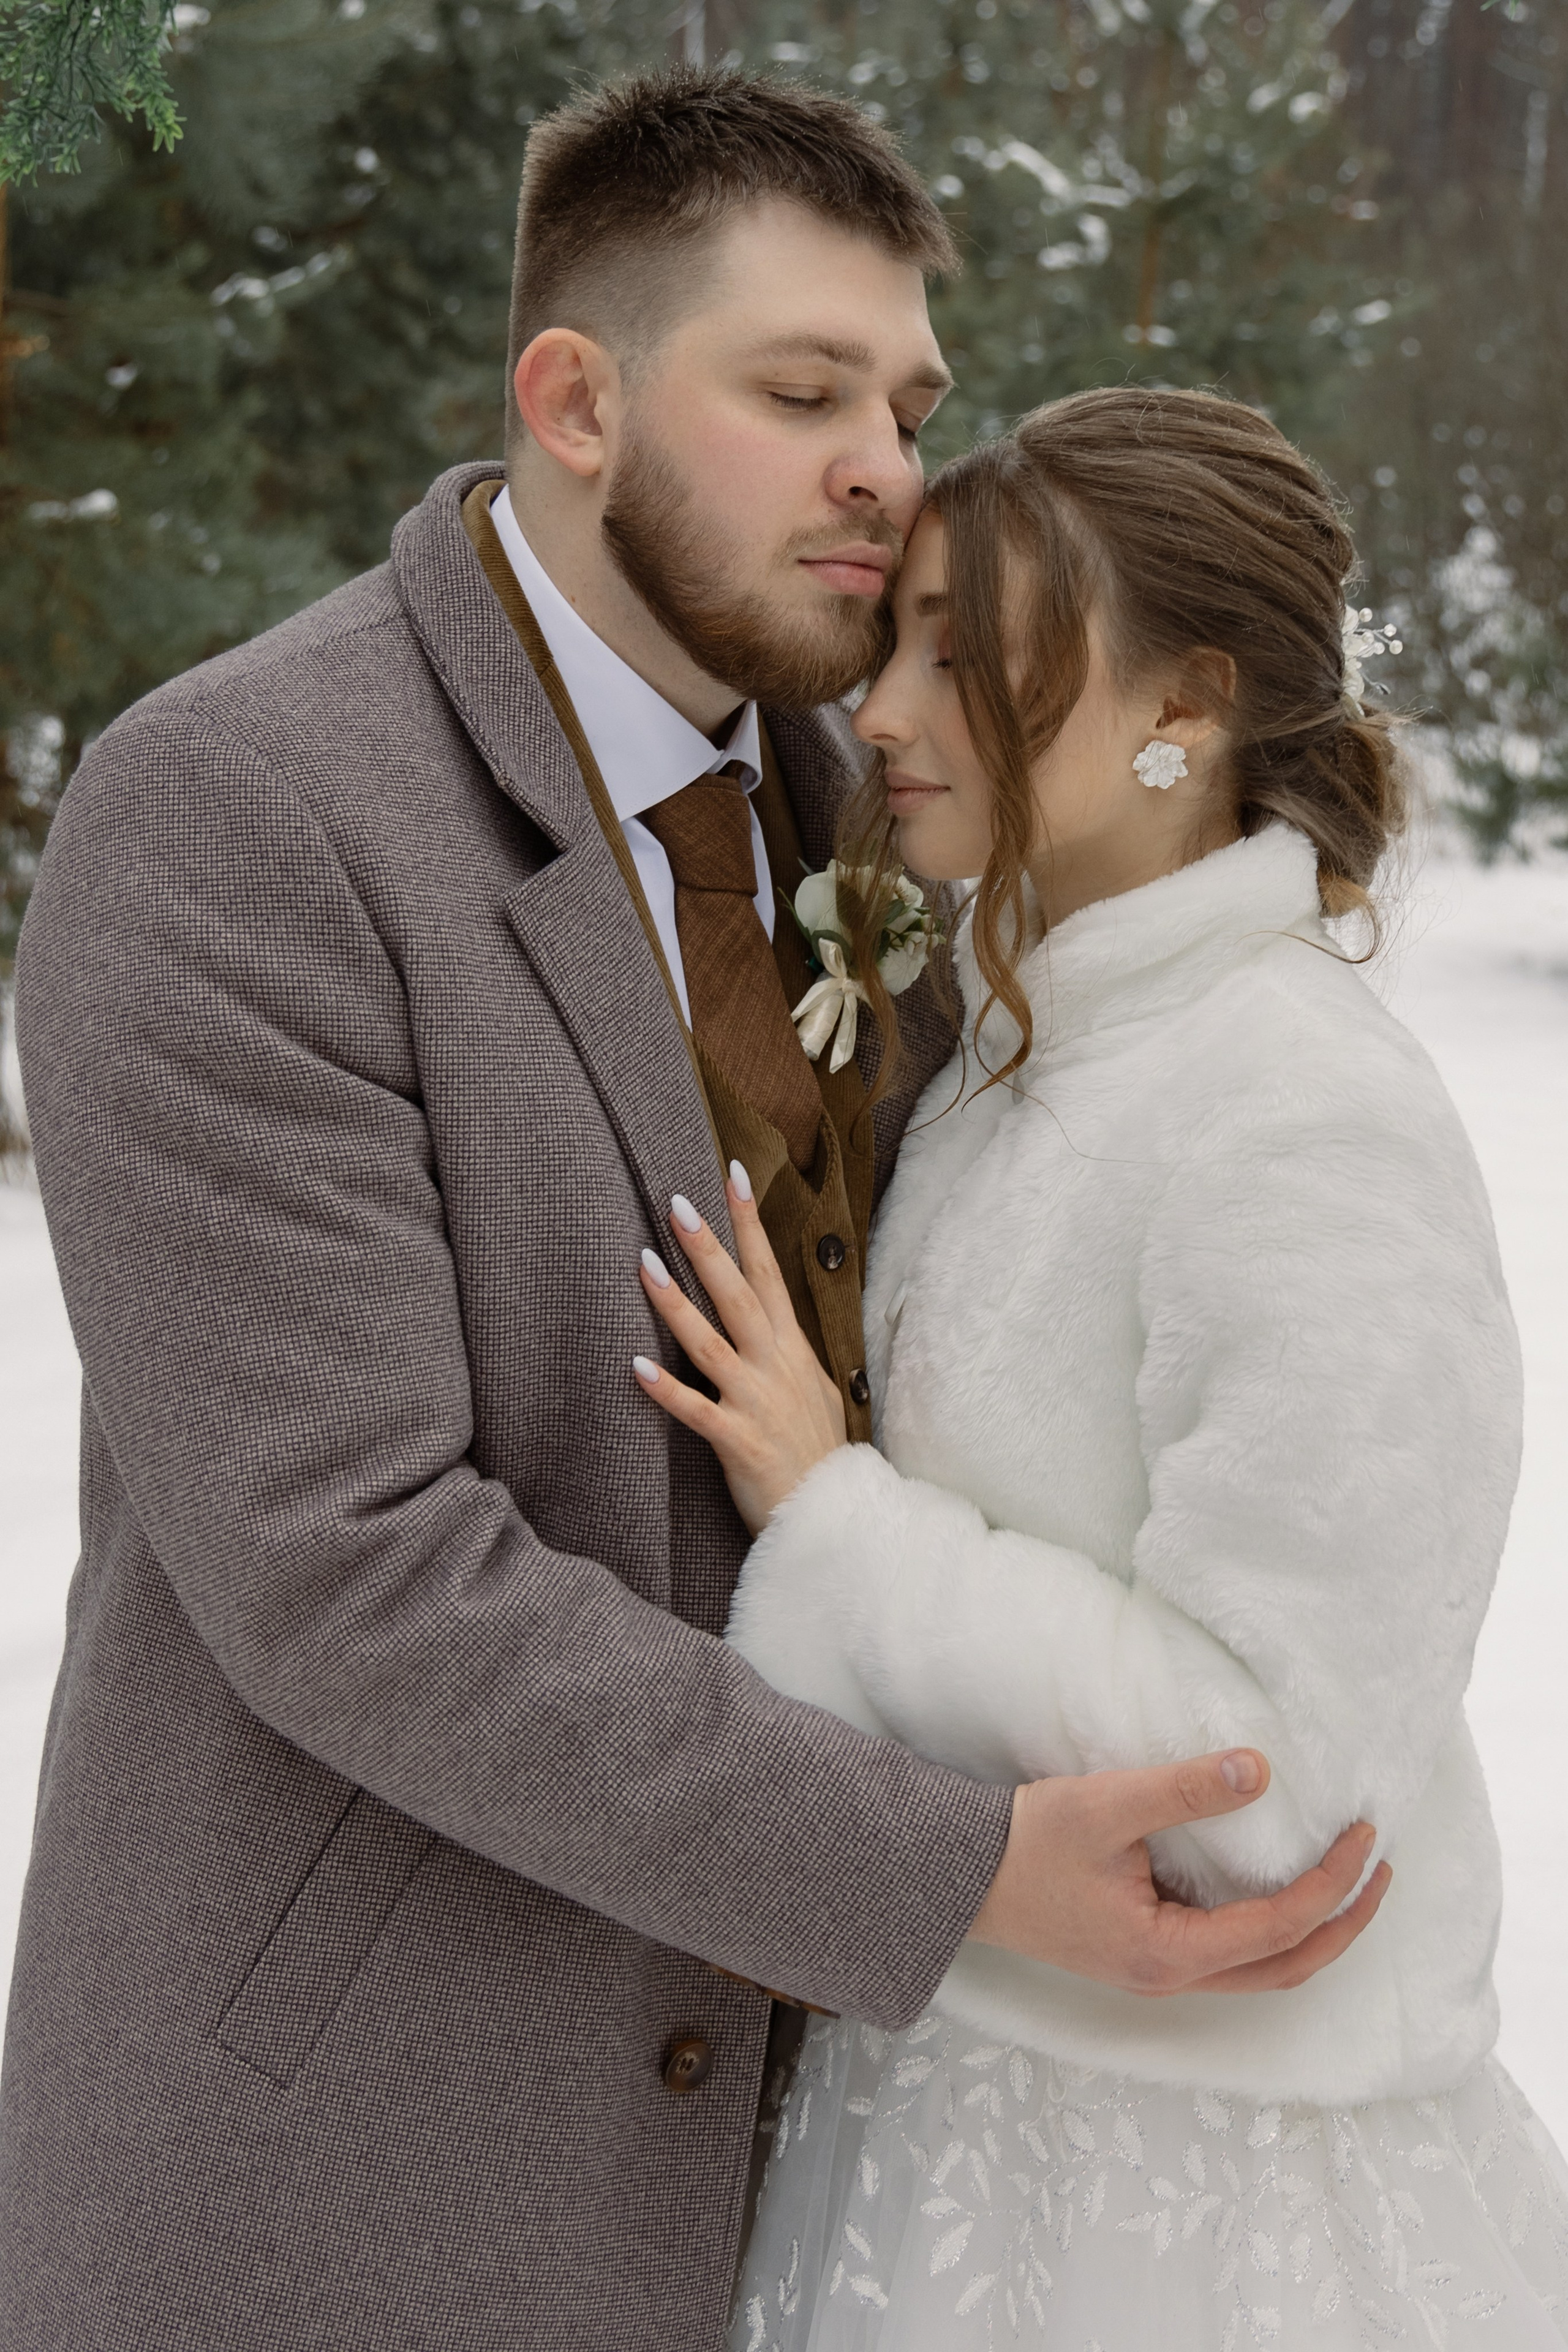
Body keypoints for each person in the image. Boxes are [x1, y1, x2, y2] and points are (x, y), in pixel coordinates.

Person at [2, 78, 1382, 2352]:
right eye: (801, 390)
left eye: (912, 402)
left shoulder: (898, 820)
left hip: (829, 2185)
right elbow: (350, 1568)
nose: (886, 466)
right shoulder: (242, 813)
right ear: (575, 398)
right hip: (361, 2173)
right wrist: (946, 1875)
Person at [629, 386, 1568, 2350]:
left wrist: (839, 1525)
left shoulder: (1301, 1111)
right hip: (926, 2112)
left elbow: (1277, 1794)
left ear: (1193, 704)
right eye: (897, 640)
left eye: (968, 658)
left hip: (1196, 2203)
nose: (879, 713)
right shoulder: (1011, 1046)